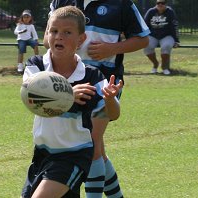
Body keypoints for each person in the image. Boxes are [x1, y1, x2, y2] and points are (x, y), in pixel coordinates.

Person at [45, 1, 150, 197]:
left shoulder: (122, 4)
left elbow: (143, 39)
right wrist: (66, 45)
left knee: (91, 143)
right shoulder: (61, 2)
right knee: (97, 148)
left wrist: (112, 48)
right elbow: (47, 37)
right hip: (72, 84)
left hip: (106, 84)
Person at [20, 6, 123, 198]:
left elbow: (114, 114)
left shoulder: (91, 76)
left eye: (67, 32)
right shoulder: (37, 65)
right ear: (47, 34)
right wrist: (68, 94)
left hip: (74, 156)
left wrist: (110, 99)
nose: (59, 36)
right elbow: (32, 98)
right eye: (54, 31)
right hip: (42, 155)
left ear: (81, 40)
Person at [143, 0, 180, 75]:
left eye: (162, 3)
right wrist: (143, 37)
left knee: (166, 46)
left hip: (167, 35)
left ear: (166, 4)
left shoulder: (170, 12)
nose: (160, 4)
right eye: (158, 3)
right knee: (147, 46)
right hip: (153, 35)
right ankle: (155, 64)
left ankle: (164, 67)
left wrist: (176, 40)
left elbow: (174, 26)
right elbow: (144, 25)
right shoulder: (151, 11)